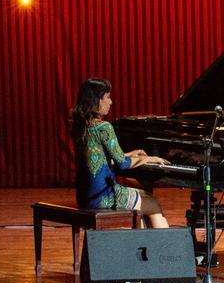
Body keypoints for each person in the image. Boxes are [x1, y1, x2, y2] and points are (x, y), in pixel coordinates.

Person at [71, 77, 169, 228]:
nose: (111, 102)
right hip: (104, 196)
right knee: (153, 203)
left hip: (85, 196)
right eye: (108, 97)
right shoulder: (104, 127)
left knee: (144, 200)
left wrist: (130, 154)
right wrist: (149, 158)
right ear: (97, 100)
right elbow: (122, 164)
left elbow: (99, 158)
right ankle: (164, 250)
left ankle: (144, 247)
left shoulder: (82, 127)